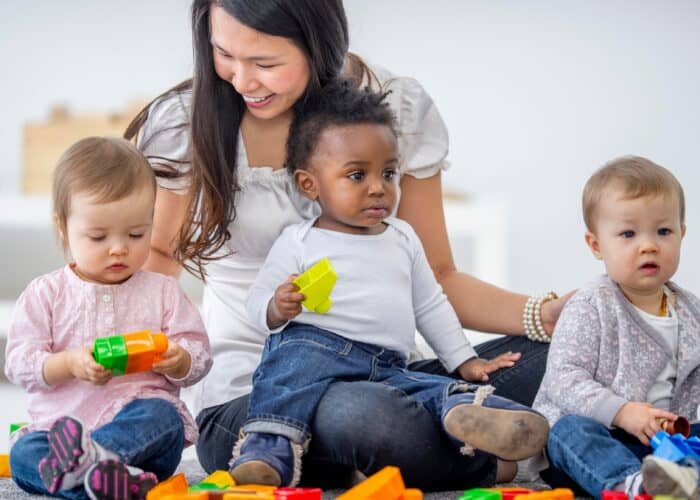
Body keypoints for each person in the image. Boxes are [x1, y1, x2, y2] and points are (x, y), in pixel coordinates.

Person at [126, 0, 569, 490]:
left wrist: (545, 316)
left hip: (389, 370)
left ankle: (446, 415)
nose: (242, 80)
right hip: (255, 395)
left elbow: (437, 280)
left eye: (266, 63)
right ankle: (481, 450)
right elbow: (159, 259)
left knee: (560, 353)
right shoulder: (187, 123)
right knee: (358, 413)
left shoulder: (388, 110)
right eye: (223, 53)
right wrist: (147, 371)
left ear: (319, 43)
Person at [229, 80, 550, 487]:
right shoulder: (300, 240)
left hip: (388, 364)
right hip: (316, 352)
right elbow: (257, 302)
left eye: (389, 172)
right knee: (286, 369)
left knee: (422, 387)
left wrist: (465, 361)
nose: (379, 187)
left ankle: (476, 410)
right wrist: (278, 306)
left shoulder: (402, 238)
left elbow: (431, 306)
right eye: (357, 175)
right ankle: (268, 450)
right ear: (311, 184)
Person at [5, 137, 212, 500]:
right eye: (98, 236)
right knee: (24, 456)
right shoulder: (45, 294)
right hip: (59, 430)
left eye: (136, 234)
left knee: (163, 419)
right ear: (63, 227)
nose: (119, 247)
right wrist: (68, 363)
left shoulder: (162, 292)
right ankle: (109, 482)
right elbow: (19, 364)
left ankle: (90, 467)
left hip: (140, 434)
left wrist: (180, 360)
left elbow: (199, 355)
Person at [532, 156, 700, 499]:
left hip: (663, 444)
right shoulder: (591, 305)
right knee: (567, 430)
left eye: (663, 231)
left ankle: (676, 480)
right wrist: (622, 412)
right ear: (596, 245)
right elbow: (563, 377)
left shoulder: (691, 310)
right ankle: (631, 486)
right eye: (628, 233)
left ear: (681, 235)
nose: (649, 244)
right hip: (599, 439)